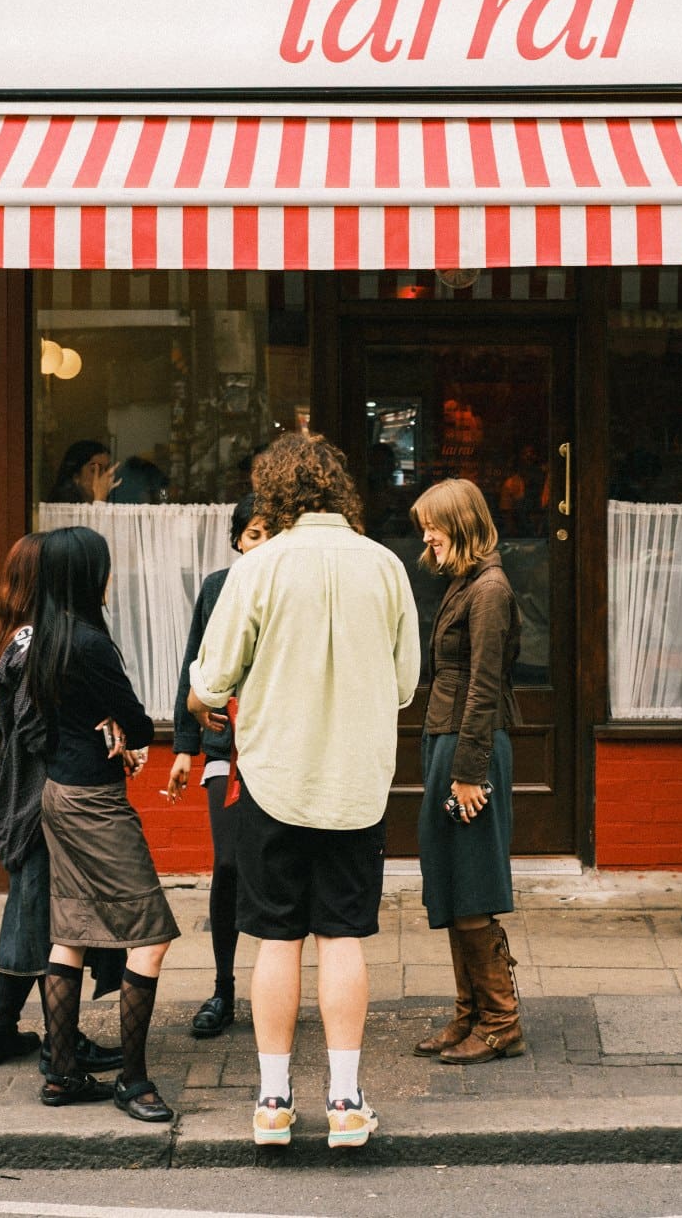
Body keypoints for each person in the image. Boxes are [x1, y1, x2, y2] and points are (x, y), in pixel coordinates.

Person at [187, 433, 419, 1150]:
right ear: (341, 489)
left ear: (275, 495)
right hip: (355, 782)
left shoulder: (257, 568)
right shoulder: (385, 567)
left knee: (277, 939)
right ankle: (346, 1102)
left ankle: (272, 1101)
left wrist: (211, 701)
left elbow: (210, 680)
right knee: (344, 936)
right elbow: (407, 684)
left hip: (273, 780)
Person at [26, 525, 180, 1119]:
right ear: (88, 576)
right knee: (151, 934)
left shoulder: (44, 638)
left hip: (60, 793)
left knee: (71, 930)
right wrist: (124, 730)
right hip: (94, 803)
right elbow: (140, 724)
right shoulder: (88, 642)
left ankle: (62, 1076)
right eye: (105, 567)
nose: (111, 577)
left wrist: (109, 724)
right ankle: (133, 1083)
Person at [0, 534, 122, 1079]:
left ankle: (0, 1030)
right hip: (39, 800)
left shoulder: (13, 636)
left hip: (15, 800)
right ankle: (62, 1043)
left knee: (29, 909)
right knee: (48, 919)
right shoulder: (37, 641)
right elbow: (37, 728)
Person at [410, 477, 526, 1066]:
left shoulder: (489, 590)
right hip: (449, 742)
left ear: (464, 524)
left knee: (473, 878)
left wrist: (468, 773)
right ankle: (470, 1014)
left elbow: (484, 687)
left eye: (434, 524)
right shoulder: (465, 582)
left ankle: (501, 1021)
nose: (426, 535)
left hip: (469, 748)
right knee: (454, 877)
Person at [166, 494, 273, 1039]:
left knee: (278, 872)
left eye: (273, 533)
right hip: (223, 748)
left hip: (280, 749)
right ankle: (224, 988)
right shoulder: (216, 587)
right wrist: (185, 747)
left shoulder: (289, 587)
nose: (262, 544)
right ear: (237, 539)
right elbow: (195, 665)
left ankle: (277, 993)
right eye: (254, 533)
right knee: (228, 865)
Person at [47, 440, 118, 503]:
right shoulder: (63, 507)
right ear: (76, 476)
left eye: (107, 470)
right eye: (94, 470)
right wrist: (99, 501)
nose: (104, 478)